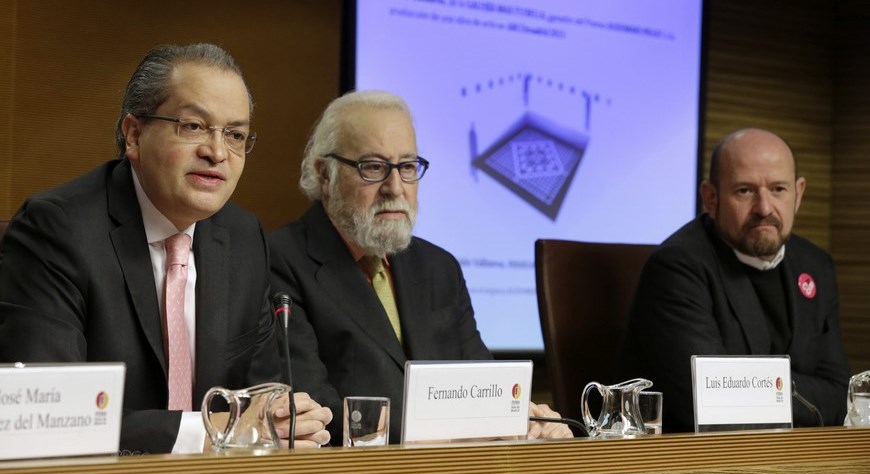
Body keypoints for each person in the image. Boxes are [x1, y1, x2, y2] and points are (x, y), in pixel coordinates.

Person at [0, 43, 331, 454]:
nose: (217, 152)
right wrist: (215, 433)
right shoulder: (58, 230)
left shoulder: (243, 238)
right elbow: (47, 413)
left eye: (235, 134)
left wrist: (285, 421)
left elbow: (261, 402)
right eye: (193, 126)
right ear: (134, 135)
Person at [268, 90, 573, 445]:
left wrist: (524, 419)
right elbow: (314, 410)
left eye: (408, 167)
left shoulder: (439, 268)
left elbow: (488, 389)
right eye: (373, 167)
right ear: (325, 174)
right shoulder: (280, 260)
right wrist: (462, 430)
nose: (395, 187)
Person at [617, 128, 851, 432]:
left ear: (799, 194)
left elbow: (843, 395)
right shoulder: (677, 267)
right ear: (710, 198)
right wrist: (791, 393)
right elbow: (707, 403)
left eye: (778, 189)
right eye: (745, 191)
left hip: (795, 459)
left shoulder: (815, 265)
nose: (764, 208)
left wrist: (751, 390)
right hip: (696, 463)